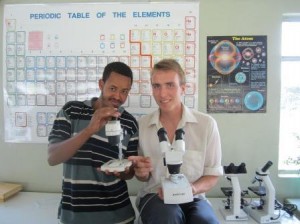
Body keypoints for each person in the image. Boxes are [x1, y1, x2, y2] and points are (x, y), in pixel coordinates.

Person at [129, 59, 223, 224]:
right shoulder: (143, 125)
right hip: (154, 195)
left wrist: (190, 189)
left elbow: (212, 175)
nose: (162, 94)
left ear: (183, 88)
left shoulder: (206, 125)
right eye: (156, 86)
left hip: (194, 196)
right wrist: (141, 173)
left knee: (205, 221)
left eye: (170, 85)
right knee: (167, 217)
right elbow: (143, 178)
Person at [48, 61, 138, 224]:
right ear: (101, 84)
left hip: (119, 217)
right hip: (74, 217)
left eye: (124, 91)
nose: (118, 96)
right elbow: (52, 157)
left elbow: (129, 173)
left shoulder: (130, 123)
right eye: (113, 88)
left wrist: (124, 171)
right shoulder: (71, 111)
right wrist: (89, 129)